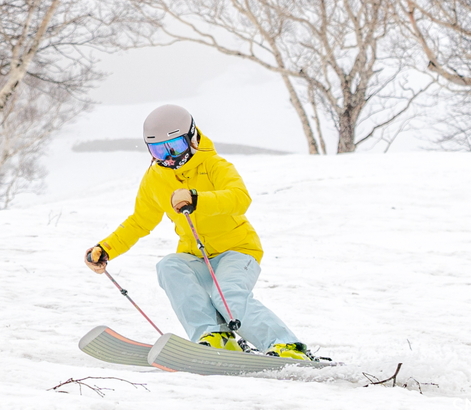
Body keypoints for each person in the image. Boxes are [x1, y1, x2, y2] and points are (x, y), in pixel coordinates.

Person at [83, 104, 316, 360]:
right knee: (169, 266)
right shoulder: (155, 178)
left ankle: (287, 346)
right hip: (195, 256)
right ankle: (214, 337)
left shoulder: (215, 165)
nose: (169, 157)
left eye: (175, 147)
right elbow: (139, 221)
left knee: (227, 295)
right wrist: (106, 249)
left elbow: (240, 198)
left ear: (192, 138)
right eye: (158, 150)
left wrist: (197, 198)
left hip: (237, 251)